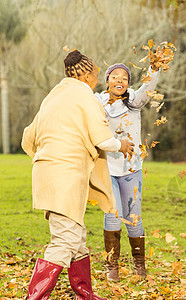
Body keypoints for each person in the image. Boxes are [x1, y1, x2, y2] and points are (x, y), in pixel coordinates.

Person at [22, 50, 134, 299]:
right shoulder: (85, 96)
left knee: (76, 236)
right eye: (95, 73)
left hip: (47, 173)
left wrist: (47, 160)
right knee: (65, 240)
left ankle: (85, 293)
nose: (96, 79)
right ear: (85, 75)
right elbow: (103, 138)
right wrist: (122, 145)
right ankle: (34, 297)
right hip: (66, 176)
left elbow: (28, 138)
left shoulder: (53, 96)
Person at [94, 62, 160, 281]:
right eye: (114, 77)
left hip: (131, 169)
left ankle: (139, 265)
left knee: (133, 218)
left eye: (124, 77)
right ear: (107, 81)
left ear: (128, 83)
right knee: (112, 216)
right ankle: (112, 266)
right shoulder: (98, 102)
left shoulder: (134, 102)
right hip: (107, 168)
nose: (119, 81)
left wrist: (155, 68)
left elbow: (147, 88)